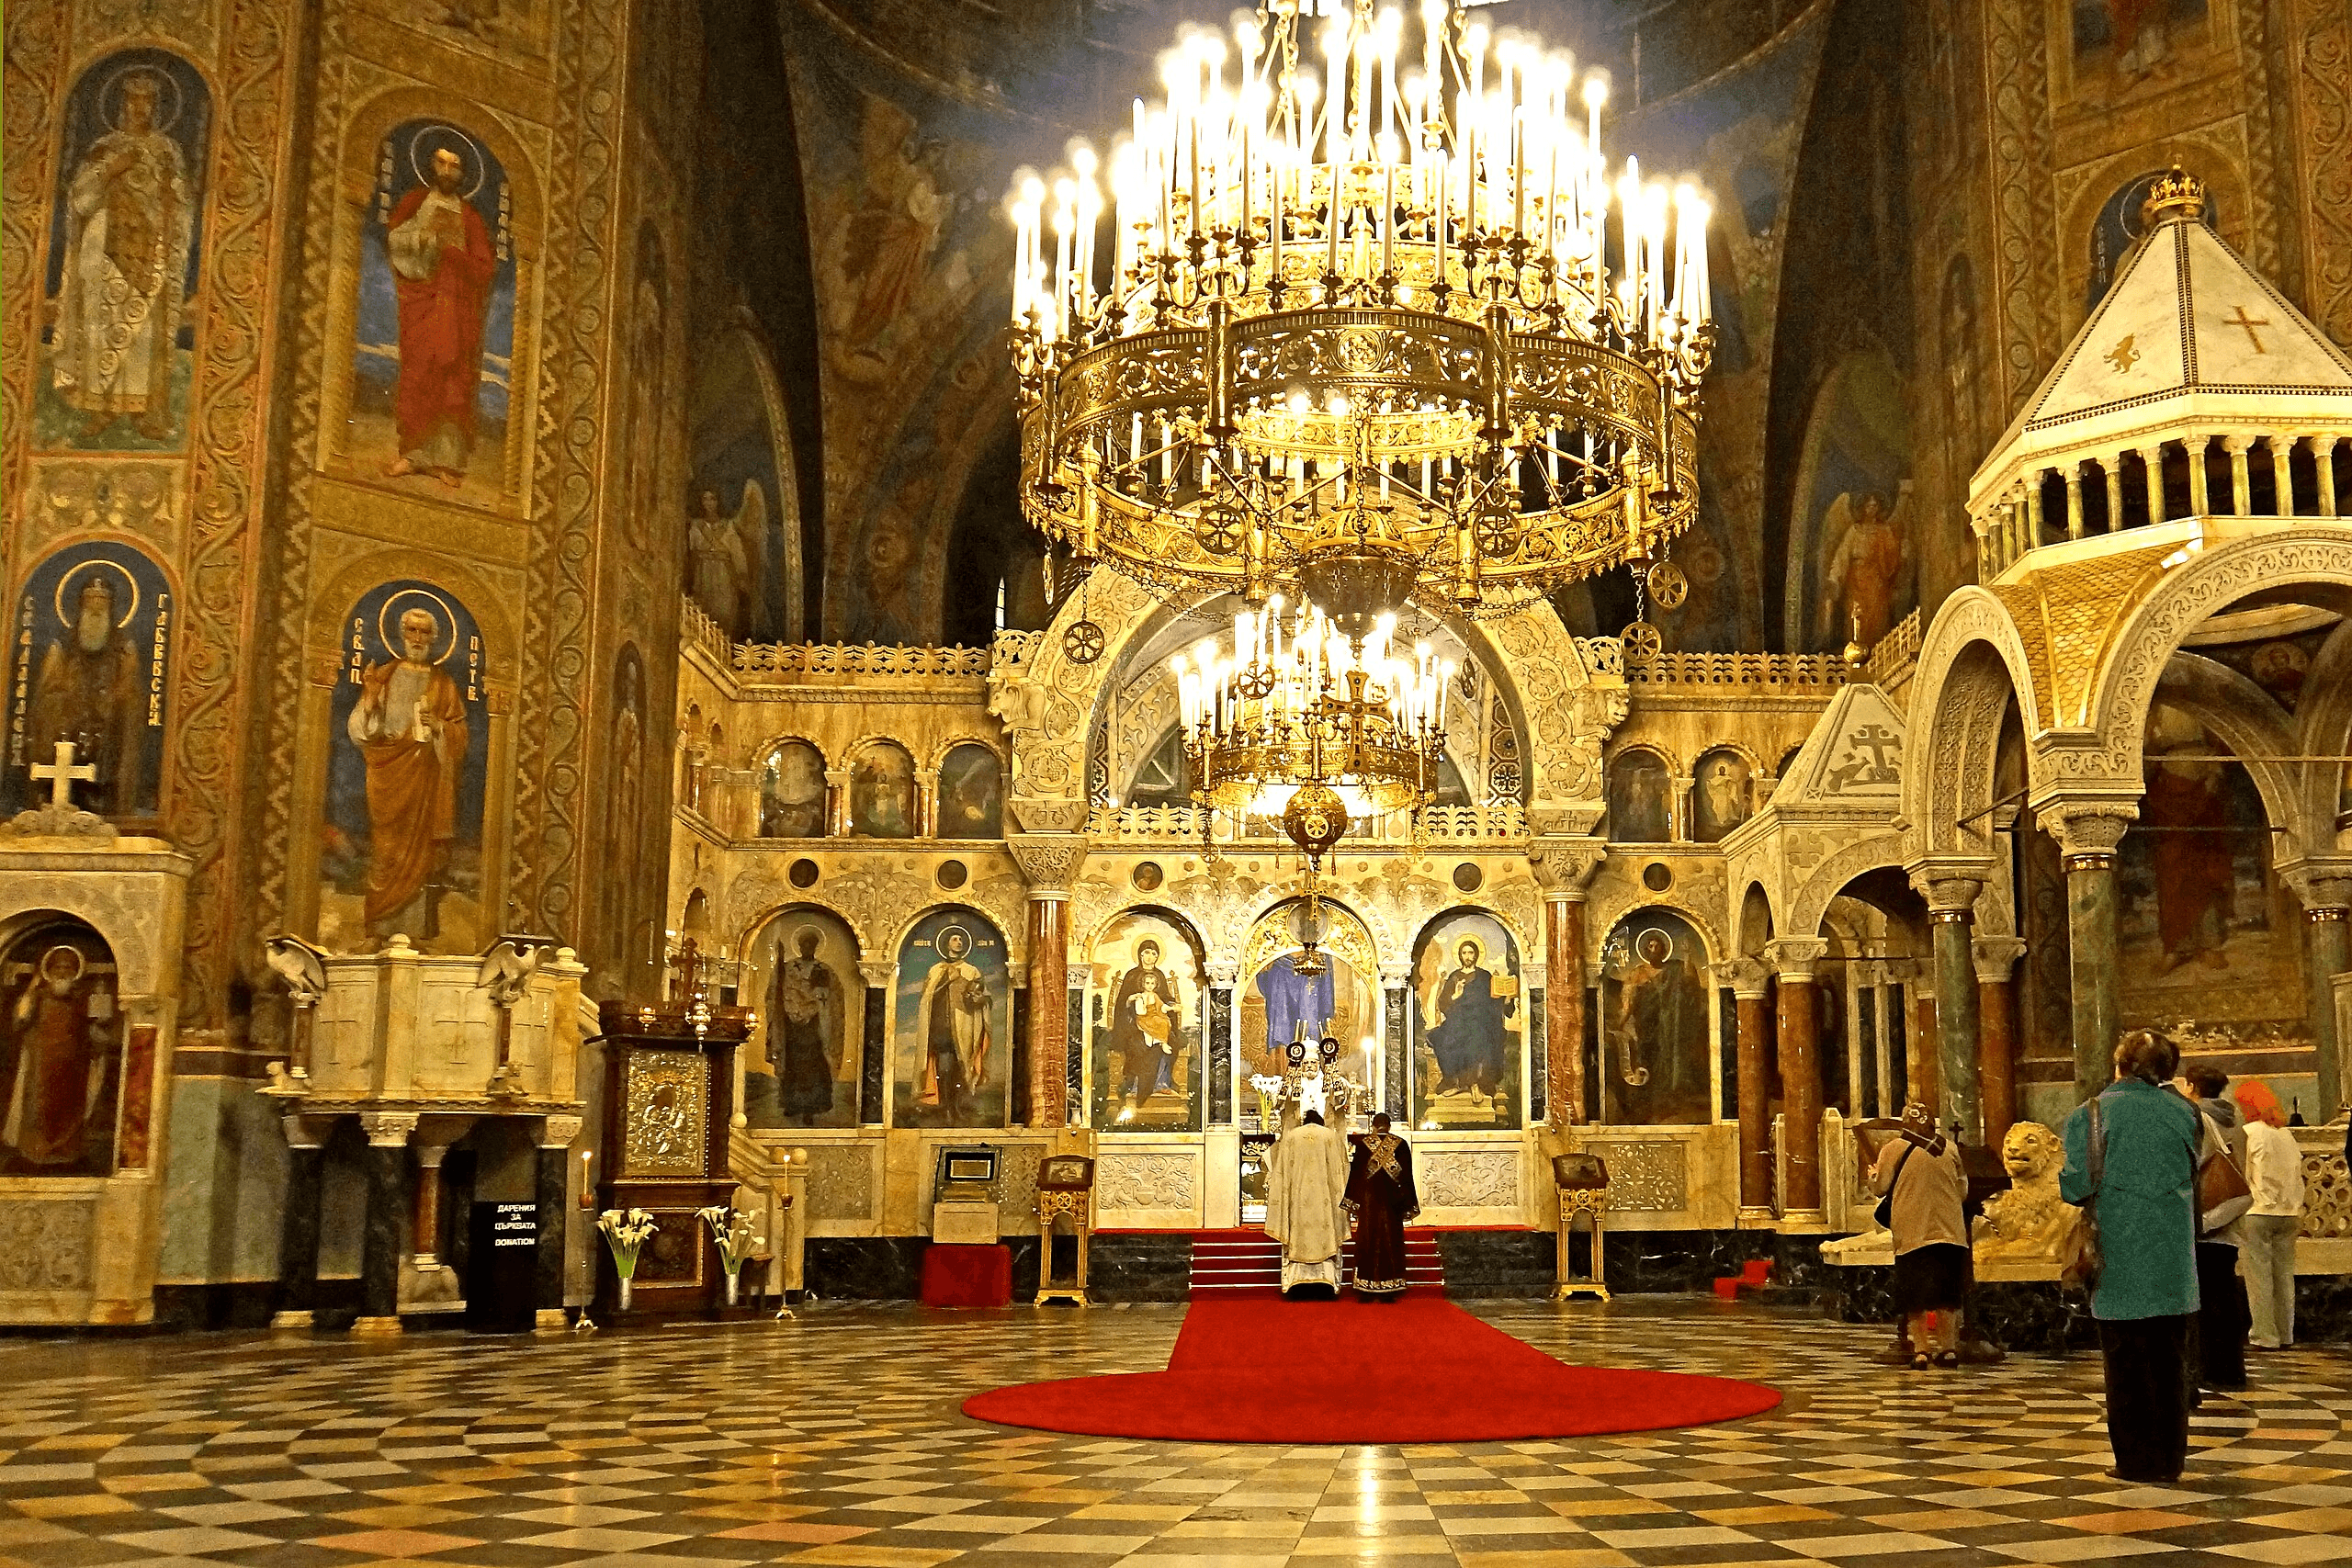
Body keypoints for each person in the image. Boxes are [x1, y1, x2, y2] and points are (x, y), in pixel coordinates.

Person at [2062, 1028, 2203, 1483]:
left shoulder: (2093, 1114)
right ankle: (2169, 1461)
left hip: (2118, 1257)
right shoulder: (2186, 1111)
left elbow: (2076, 1185)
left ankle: (2135, 1462)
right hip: (2175, 1261)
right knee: (2171, 1364)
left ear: (2118, 1064)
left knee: (2125, 1367)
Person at [51, 70, 191, 442]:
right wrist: (111, 170)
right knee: (101, 326)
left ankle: (142, 413)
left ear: (156, 107)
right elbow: (80, 199)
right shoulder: (104, 147)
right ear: (121, 103)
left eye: (147, 100)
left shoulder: (166, 151)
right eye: (133, 98)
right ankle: (101, 410)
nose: (139, 107)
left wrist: (168, 195)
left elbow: (179, 200)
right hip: (105, 250)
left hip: (150, 249)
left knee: (143, 330)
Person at [345, 605, 470, 940]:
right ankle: (379, 929)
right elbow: (360, 732)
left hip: (426, 778)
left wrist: (441, 727)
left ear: (434, 638)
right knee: (386, 851)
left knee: (420, 855)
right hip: (388, 773)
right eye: (412, 631)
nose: (417, 638)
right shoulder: (383, 676)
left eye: (424, 631)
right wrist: (370, 700)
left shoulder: (444, 685)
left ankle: (412, 934)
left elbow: (459, 738)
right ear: (401, 635)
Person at [383, 145, 495, 487]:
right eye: (441, 164)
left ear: (464, 174)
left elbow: (484, 267)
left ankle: (446, 461)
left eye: (454, 166)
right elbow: (394, 240)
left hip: (457, 309)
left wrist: (455, 254)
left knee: (453, 382)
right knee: (419, 374)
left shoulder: (471, 218)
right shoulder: (415, 203)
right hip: (423, 303)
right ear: (431, 166)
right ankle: (413, 454)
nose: (447, 172)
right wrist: (426, 238)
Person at [28, 574, 146, 817]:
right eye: (90, 603)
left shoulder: (124, 650)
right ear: (80, 607)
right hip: (66, 738)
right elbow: (47, 695)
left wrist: (110, 702)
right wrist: (68, 702)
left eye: (101, 604)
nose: (95, 610)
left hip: (107, 742)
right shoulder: (61, 648)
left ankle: (107, 796)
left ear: (111, 610)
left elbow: (131, 699)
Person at [1871, 1101, 1970, 1369]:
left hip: (1913, 1233)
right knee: (1947, 1296)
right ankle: (1949, 1350)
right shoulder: (1949, 1148)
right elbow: (1963, 1191)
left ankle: (1922, 1351)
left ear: (1905, 1123)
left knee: (1915, 1297)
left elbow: (1881, 1188)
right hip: (1951, 1233)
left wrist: (1872, 1176)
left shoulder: (1893, 1149)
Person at [0, 944, 111, 1168]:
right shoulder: (38, 996)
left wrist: (101, 1006)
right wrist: (32, 987)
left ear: (76, 972)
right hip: (41, 1064)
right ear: (48, 970)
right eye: (58, 966)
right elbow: (20, 1019)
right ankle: (36, 1152)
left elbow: (98, 1027)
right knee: (37, 1109)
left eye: (68, 967)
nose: (63, 971)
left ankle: (66, 1151)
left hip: (73, 1066)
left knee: (70, 1112)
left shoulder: (80, 999)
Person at [2183, 1063, 2250, 1393]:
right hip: (2230, 1226)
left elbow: (2192, 1166)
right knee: (2225, 1298)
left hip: (2203, 1224)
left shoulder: (2195, 1119)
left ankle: (2210, 1367)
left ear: (2192, 1086)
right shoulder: (2237, 1123)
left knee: (2204, 1304)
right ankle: (2231, 1367)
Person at [2236, 1079, 2305, 1350]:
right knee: (2284, 1276)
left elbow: (2243, 1174)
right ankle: (2286, 1333)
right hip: (2289, 1213)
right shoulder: (2286, 1134)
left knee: (2259, 1278)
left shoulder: (2249, 1132)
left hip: (2258, 1211)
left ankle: (2264, 1335)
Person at [1264, 1108, 1349, 1298]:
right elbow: (1340, 1173)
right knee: (1325, 1235)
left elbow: (1281, 1175)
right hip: (1325, 1203)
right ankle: (1328, 1282)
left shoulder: (1292, 1137)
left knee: (1297, 1233)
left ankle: (1294, 1283)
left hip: (1298, 1201)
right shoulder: (1330, 1137)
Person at [1424, 938, 1513, 1107]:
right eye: (1464, 952)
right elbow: (1443, 1003)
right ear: (1460, 955)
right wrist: (1455, 996)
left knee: (1475, 1037)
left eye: (1470, 952)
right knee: (1443, 1040)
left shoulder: (1485, 976)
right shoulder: (1454, 977)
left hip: (1481, 1019)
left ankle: (1474, 1084)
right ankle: (1456, 1083)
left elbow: (1495, 1002)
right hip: (1457, 1019)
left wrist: (1506, 1000)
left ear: (1476, 955)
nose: (1467, 956)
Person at [915, 928, 990, 1122]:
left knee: (961, 1067)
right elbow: (927, 998)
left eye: (961, 939)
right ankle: (947, 1107)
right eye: (955, 939)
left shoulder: (971, 971)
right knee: (944, 1068)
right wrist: (946, 981)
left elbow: (983, 998)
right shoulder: (935, 971)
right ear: (946, 944)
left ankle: (955, 1106)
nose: (959, 942)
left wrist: (975, 997)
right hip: (941, 1027)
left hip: (964, 1027)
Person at [1343, 1112, 1419, 1302]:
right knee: (1391, 1240)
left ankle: (1365, 1287)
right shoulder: (1401, 1145)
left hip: (1369, 1203)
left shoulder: (1363, 1144)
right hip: (1393, 1202)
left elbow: (1356, 1177)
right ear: (1389, 1126)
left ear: (1374, 1126)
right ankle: (1391, 1286)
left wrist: (1353, 1202)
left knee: (1368, 1240)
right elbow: (1407, 1178)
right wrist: (1408, 1204)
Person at [769, 927, 841, 1122]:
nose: (807, 947)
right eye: (804, 944)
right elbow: (778, 992)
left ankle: (811, 1107)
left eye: (811, 944)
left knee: (813, 1066)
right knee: (793, 1064)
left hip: (814, 1025)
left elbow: (833, 998)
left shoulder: (824, 970)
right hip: (792, 1025)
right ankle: (792, 1104)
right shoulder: (789, 968)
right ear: (799, 946)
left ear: (816, 946)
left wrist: (819, 996)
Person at [1108, 938, 1181, 1111]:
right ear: (1140, 954)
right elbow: (1121, 1004)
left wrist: (1171, 1006)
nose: (1151, 957)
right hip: (1133, 1023)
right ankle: (1135, 1085)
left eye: (1154, 954)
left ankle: (1162, 1083)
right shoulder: (1132, 975)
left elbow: (1164, 999)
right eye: (1147, 953)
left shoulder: (1160, 976)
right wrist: (1129, 1000)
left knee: (1172, 1041)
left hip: (1156, 1020)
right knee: (1137, 1044)